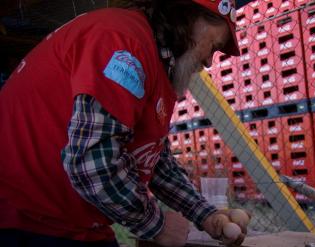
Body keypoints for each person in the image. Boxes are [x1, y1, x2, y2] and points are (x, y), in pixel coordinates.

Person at [0, 0, 249, 246]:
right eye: (214, 46)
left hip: (68, 221)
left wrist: (205, 214)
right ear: (187, 17)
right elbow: (91, 162)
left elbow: (153, 158)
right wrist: (156, 225)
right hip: (27, 220)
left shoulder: (155, 64)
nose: (208, 63)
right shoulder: (123, 45)